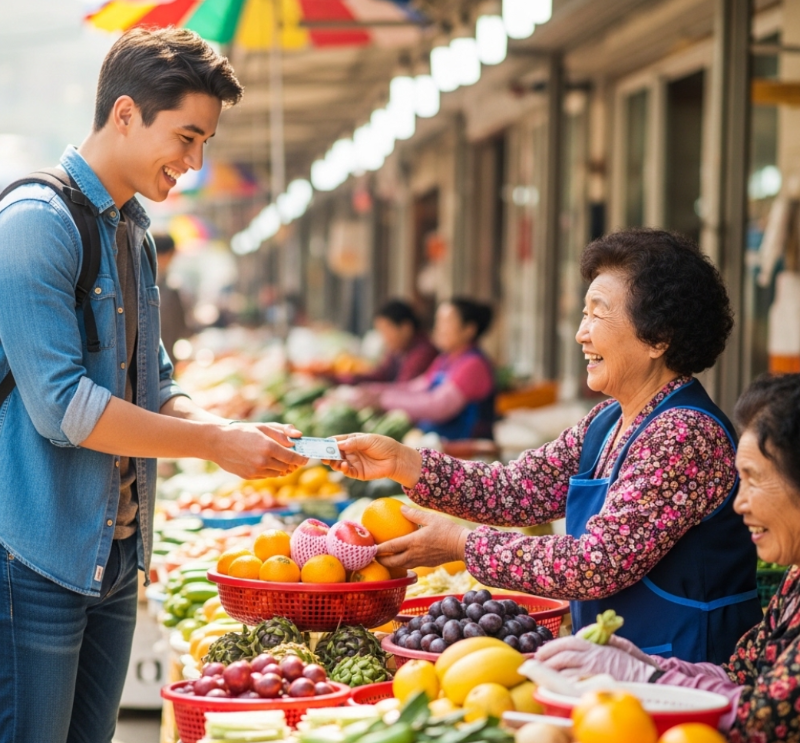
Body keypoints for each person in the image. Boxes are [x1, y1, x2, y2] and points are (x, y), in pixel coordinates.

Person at [0, 28, 305, 743]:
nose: (195, 163)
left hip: (113, 557)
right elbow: (66, 409)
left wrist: (228, 429)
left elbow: (155, 377)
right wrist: (210, 442)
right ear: (128, 114)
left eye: (205, 144)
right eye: (187, 137)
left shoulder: (131, 229)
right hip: (34, 559)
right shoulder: (33, 226)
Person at [328, 229, 761, 664]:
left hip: (686, 673)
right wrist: (404, 463)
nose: (580, 334)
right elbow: (517, 490)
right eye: (583, 314)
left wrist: (462, 544)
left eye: (598, 315)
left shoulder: (683, 434)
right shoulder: (608, 419)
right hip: (621, 665)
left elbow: (596, 562)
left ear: (658, 337)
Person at [536, 373, 800, 742]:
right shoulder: (794, 579)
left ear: (656, 339)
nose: (740, 504)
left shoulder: (687, 431)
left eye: (754, 480)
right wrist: (645, 665)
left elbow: (768, 719)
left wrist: (647, 678)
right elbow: (743, 673)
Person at [349, 298, 495, 440]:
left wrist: (384, 401)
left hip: (468, 451)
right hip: (438, 443)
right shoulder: (445, 359)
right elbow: (417, 387)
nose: (438, 328)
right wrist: (374, 392)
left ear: (469, 329)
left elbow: (438, 406)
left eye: (447, 322)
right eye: (438, 321)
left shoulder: (474, 365)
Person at [334, 299, 437, 384]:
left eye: (387, 330)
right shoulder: (398, 350)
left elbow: (402, 387)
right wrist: (341, 379)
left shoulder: (423, 353)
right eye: (381, 332)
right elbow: (381, 374)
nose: (384, 338)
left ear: (406, 328)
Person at [153, 232, 191, 364]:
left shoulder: (167, 283)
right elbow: (182, 327)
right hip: (161, 359)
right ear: (167, 254)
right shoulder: (167, 288)